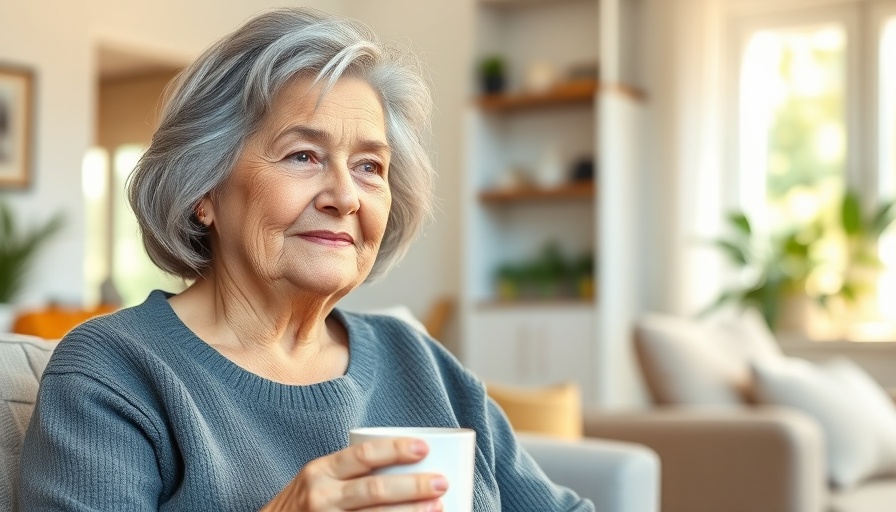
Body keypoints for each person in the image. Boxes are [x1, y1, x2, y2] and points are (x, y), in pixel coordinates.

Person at [20, 8, 594, 511]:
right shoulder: (115, 373)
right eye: (303, 155)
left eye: (370, 166)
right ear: (204, 190)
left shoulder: (422, 363)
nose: (345, 196)